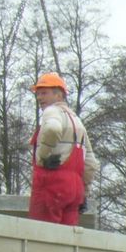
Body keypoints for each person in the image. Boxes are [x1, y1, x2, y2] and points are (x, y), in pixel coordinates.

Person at [27, 72, 98, 224]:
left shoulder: (52, 111)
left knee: (42, 237)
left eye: (44, 93)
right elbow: (91, 164)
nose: (39, 98)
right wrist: (84, 193)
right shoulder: (77, 121)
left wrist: (42, 158)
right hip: (74, 191)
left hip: (52, 184)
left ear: (59, 95)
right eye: (38, 94)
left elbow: (52, 129)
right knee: (66, 241)